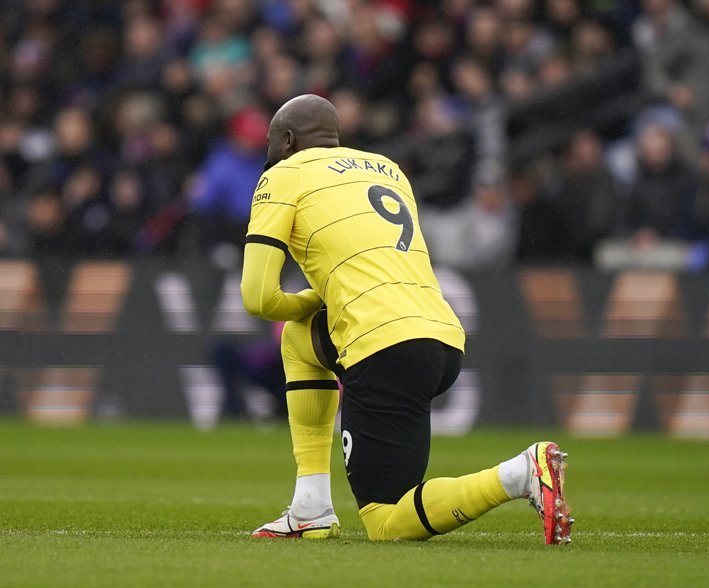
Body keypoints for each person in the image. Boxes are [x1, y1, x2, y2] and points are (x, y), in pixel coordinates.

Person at [239, 94, 572, 544]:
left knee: (386, 520)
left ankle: (520, 473)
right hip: (440, 335)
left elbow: (258, 297)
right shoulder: (387, 167)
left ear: (288, 140)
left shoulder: (284, 174)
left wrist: (313, 301)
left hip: (383, 346)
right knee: (300, 341)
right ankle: (310, 507)